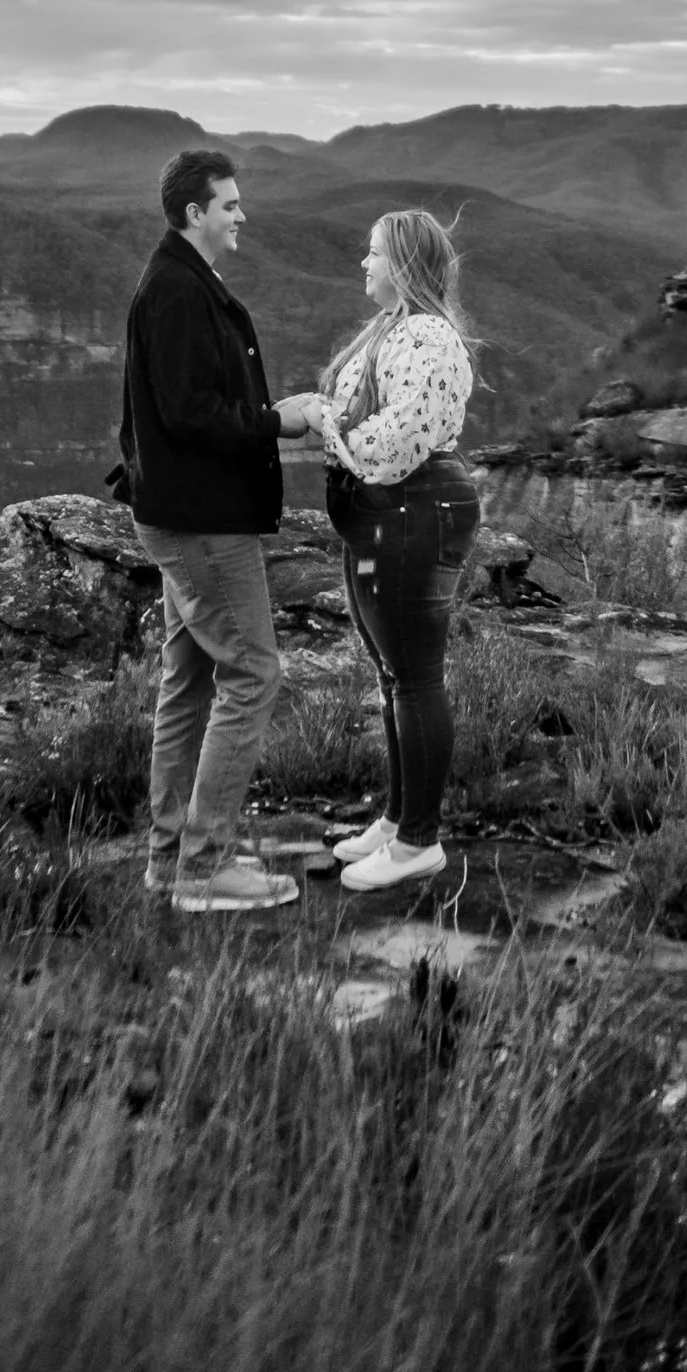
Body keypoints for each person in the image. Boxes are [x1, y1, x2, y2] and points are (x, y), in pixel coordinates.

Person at [111, 143, 321, 914]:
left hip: (178, 515)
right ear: (195, 213)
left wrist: (276, 413)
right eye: (230, 205)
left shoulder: (181, 280)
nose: (242, 215)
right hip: (201, 525)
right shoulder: (176, 291)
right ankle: (205, 866)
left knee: (191, 680)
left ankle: (170, 861)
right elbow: (188, 413)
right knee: (254, 674)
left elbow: (160, 411)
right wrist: (283, 422)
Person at [298, 206, 481, 895]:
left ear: (402, 265)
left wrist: (332, 439)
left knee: (416, 676)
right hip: (385, 515)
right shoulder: (391, 331)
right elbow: (364, 416)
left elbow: (401, 438)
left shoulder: (428, 338)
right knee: (392, 674)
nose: (364, 264)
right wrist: (326, 417)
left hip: (416, 509)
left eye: (374, 253)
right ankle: (399, 816)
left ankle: (418, 843)